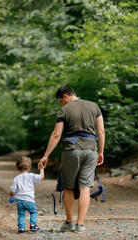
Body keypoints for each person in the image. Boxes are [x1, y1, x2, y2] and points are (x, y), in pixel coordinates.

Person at [38, 84, 105, 233]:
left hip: (71, 150)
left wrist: (46, 155)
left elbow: (56, 134)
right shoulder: (94, 106)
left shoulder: (64, 110)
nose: (61, 103)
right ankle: (80, 225)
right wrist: (100, 151)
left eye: (61, 100)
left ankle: (69, 222)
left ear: (66, 96)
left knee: (68, 187)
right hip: (91, 149)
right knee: (85, 187)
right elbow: (100, 130)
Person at [9, 156, 44, 234]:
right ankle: (33, 225)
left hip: (19, 201)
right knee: (33, 212)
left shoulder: (16, 178)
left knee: (21, 215)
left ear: (17, 168)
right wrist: (42, 169)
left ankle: (21, 228)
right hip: (29, 200)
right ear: (29, 167)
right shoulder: (31, 176)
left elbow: (12, 190)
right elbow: (41, 178)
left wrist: (11, 194)